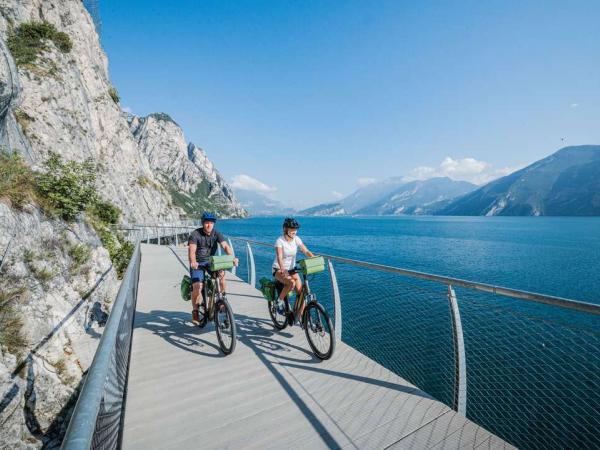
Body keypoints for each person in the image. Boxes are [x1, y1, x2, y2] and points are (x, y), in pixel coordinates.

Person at [188, 212, 238, 325]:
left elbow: (225, 246)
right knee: (198, 285)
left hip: (211, 262)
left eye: (211, 223)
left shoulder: (217, 234)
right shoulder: (195, 234)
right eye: (206, 223)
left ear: (214, 224)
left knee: (221, 276)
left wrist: (233, 258)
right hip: (198, 264)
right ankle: (195, 311)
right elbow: (192, 250)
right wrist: (193, 261)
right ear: (203, 223)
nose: (209, 225)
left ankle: (222, 300)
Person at [272, 217, 314, 323]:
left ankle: (299, 317)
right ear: (286, 229)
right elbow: (279, 257)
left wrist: (313, 258)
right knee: (291, 283)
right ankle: (279, 302)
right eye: (292, 229)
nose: (294, 231)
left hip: (292, 269)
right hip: (278, 269)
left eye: (295, 229)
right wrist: (283, 270)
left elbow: (305, 250)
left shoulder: (296, 239)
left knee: (301, 293)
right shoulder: (279, 241)